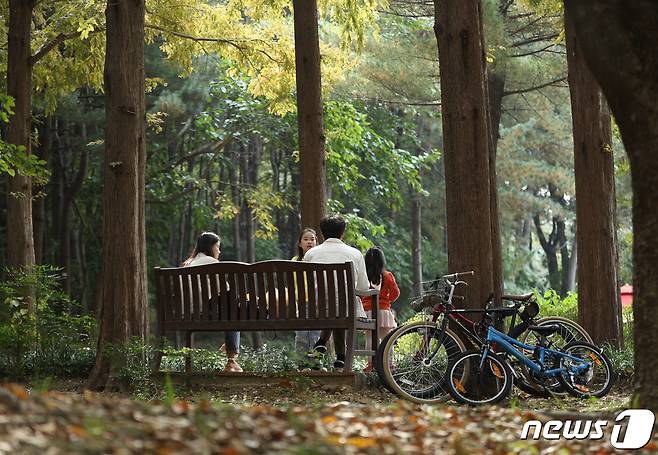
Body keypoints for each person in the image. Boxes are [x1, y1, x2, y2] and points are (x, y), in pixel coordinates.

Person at [303, 215, 370, 371]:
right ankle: (340, 359)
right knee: (340, 307)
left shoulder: (311, 254)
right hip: (345, 309)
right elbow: (363, 287)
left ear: (322, 233)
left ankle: (325, 347)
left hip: (318, 308)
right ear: (342, 233)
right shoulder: (354, 253)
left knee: (334, 309)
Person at [183, 231, 242, 373]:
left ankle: (230, 349)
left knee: (230, 308)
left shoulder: (188, 263)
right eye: (218, 247)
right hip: (207, 312)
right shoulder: (212, 263)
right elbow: (226, 289)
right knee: (233, 309)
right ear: (210, 247)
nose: (219, 251)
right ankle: (231, 358)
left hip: (189, 311)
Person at [361, 246, 400, 372]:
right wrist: (387, 300)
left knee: (369, 338)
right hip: (383, 310)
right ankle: (389, 365)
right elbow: (396, 293)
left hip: (367, 311)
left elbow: (359, 291)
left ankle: (371, 364)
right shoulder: (387, 275)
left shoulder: (363, 276)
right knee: (386, 339)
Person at [292, 228, 320, 358]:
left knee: (315, 333)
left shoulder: (319, 260)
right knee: (302, 334)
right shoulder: (295, 261)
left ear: (317, 243)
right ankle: (302, 362)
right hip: (301, 302)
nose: (309, 242)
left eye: (312, 239)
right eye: (306, 239)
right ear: (299, 243)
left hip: (316, 302)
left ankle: (314, 363)